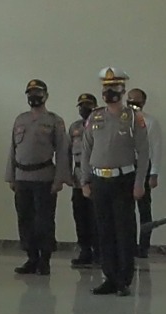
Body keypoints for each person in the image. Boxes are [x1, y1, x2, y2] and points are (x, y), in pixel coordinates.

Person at [78, 67, 149, 296]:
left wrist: (140, 183)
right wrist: (85, 181)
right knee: (104, 231)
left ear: (122, 90)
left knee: (124, 231)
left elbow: (144, 153)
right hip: (99, 180)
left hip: (123, 180)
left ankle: (123, 280)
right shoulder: (95, 117)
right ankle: (109, 277)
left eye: (114, 88)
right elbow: (86, 151)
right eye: (106, 88)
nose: (109, 92)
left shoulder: (133, 118)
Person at [6, 79, 69, 276]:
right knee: (25, 220)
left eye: (38, 93)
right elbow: (13, 150)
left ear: (46, 96)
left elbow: (62, 151)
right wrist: (11, 176)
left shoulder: (54, 121)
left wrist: (59, 179)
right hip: (22, 177)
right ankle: (31, 258)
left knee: (44, 221)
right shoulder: (20, 119)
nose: (34, 97)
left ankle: (44, 260)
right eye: (30, 93)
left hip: (44, 178)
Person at [126, 88, 162, 259]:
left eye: (137, 100)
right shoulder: (121, 120)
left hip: (144, 167)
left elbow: (156, 148)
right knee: (126, 210)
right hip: (125, 167)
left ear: (143, 102)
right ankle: (128, 245)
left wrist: (154, 173)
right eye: (130, 99)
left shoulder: (150, 122)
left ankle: (144, 247)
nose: (133, 103)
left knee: (144, 209)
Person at [68, 93, 99, 268]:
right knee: (80, 217)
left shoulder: (101, 125)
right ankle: (85, 251)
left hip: (96, 176)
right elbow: (67, 152)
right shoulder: (74, 128)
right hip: (78, 177)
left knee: (97, 217)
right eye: (81, 105)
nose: (84, 108)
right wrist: (67, 175)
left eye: (88, 105)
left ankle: (100, 252)